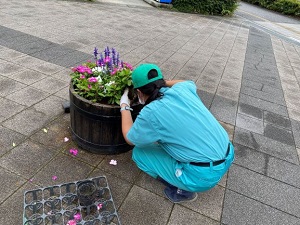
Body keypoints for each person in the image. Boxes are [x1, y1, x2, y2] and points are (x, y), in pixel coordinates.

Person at [119, 63, 234, 203]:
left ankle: (183, 191)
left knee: (139, 154)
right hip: (227, 155)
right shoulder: (182, 89)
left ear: (139, 92)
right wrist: (162, 84)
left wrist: (124, 106)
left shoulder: (151, 113)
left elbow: (130, 138)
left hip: (203, 175)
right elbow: (187, 82)